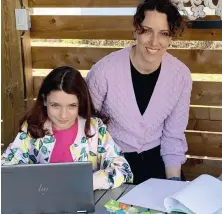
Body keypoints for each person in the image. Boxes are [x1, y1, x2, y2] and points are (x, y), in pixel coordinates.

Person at [87, 0, 192, 184]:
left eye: (163, 33)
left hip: (159, 164)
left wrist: (174, 182)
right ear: (136, 30)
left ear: (170, 37)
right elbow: (86, 127)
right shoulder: (104, 71)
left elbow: (173, 136)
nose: (154, 41)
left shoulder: (180, 76)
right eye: (147, 31)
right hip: (113, 166)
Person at [1, 66, 133, 190]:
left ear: (80, 103)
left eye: (71, 106)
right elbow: (5, 167)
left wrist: (91, 182)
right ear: (45, 100)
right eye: (55, 105)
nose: (63, 116)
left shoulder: (95, 129)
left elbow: (123, 169)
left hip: (87, 205)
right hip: (40, 205)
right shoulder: (32, 128)